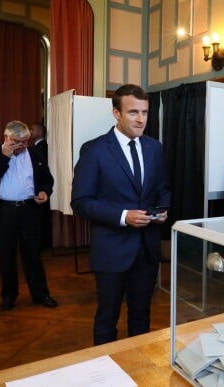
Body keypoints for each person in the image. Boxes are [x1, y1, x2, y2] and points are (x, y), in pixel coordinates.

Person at [71, 84, 171, 345]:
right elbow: (80, 202)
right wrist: (123, 215)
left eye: (145, 113)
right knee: (107, 318)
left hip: (147, 248)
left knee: (141, 315)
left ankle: (138, 370)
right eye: (133, 113)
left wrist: (162, 210)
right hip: (112, 250)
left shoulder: (154, 148)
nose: (141, 120)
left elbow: (162, 189)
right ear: (116, 113)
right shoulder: (94, 150)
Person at [0, 120, 57, 311]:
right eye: (18, 142)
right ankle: (8, 296)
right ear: (6, 138)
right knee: (6, 255)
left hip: (30, 210)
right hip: (4, 212)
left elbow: (47, 179)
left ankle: (40, 294)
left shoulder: (35, 154)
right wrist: (5, 157)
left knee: (33, 254)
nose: (22, 146)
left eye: (26, 141)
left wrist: (45, 191)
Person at [29, 123, 52, 248]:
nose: (30, 131)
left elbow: (40, 171)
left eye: (32, 129)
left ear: (39, 132)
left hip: (41, 187)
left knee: (41, 219)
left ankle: (42, 244)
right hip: (38, 187)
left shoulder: (42, 147)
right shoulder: (35, 147)